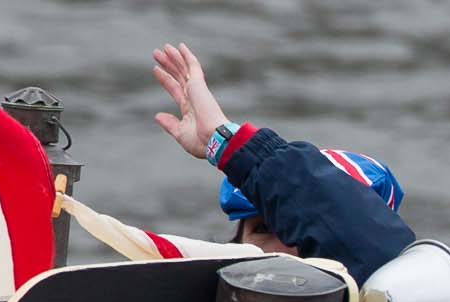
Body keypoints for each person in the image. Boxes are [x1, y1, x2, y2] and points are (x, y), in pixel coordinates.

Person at [150, 42, 414, 283]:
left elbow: (375, 258)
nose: (281, 252)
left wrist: (226, 141)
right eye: (263, 229)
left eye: (305, 237)